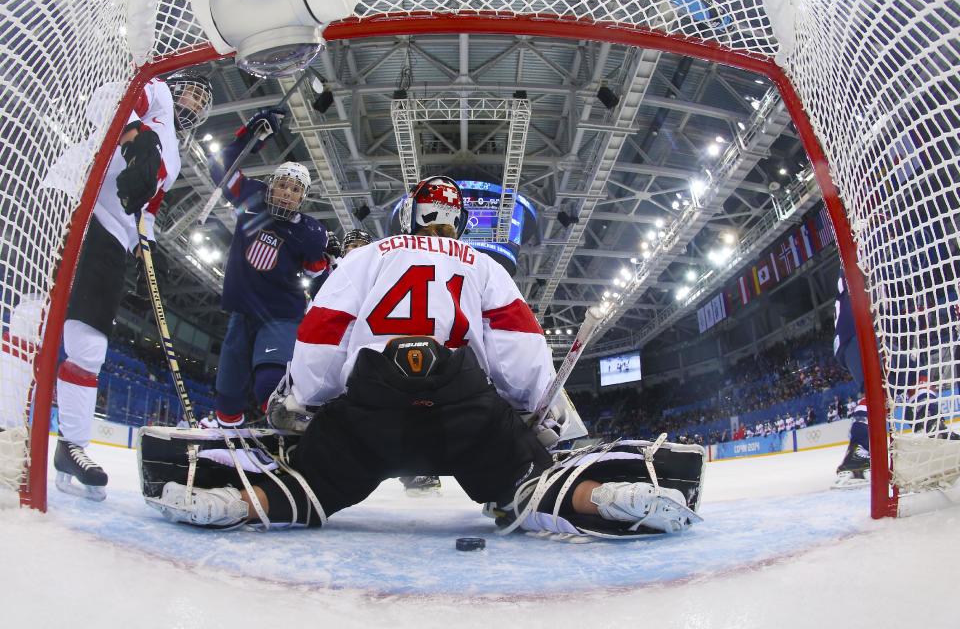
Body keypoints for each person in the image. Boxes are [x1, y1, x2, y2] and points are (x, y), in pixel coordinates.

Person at [151, 176, 703, 537]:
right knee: (527, 483)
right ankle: (599, 494)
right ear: (458, 223)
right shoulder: (483, 265)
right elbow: (520, 346)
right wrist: (543, 417)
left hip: (373, 398)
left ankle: (238, 504)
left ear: (410, 218)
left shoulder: (368, 255)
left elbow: (322, 332)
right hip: (459, 397)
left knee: (310, 483)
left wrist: (303, 400)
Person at [50, 73, 213, 500]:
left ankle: (72, 446)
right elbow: (110, 101)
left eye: (201, 100)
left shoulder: (176, 157)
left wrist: (146, 252)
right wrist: (134, 136)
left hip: (115, 237)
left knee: (88, 346)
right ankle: (8, 427)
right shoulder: (157, 90)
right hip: (78, 204)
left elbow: (149, 210)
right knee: (36, 314)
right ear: (177, 89)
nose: (193, 103)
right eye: (191, 92)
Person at [207, 108, 334, 429]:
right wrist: (253, 134)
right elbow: (220, 166)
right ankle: (226, 433)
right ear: (272, 184)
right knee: (227, 389)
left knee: (269, 378)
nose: (288, 193)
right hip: (242, 311)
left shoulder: (310, 231)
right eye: (284, 185)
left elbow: (318, 277)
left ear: (302, 197)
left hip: (281, 313)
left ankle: (283, 423)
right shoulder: (250, 197)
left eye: (296, 190)